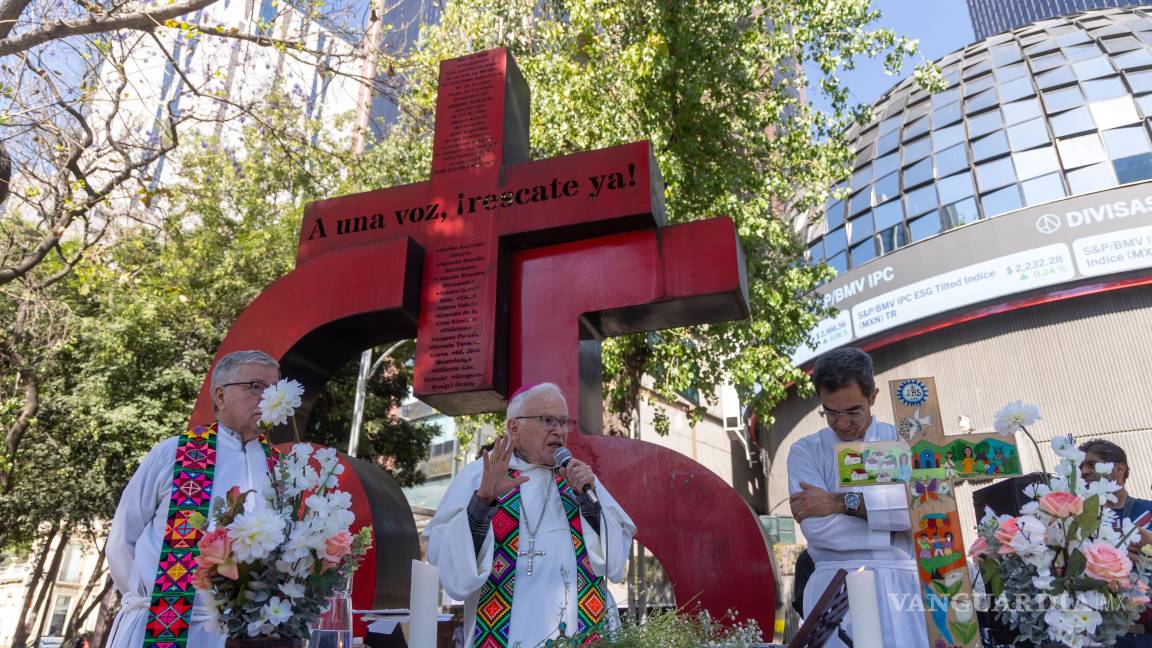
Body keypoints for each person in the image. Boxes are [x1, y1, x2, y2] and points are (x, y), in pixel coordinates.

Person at [426, 383, 636, 647]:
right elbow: (449, 568)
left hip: (583, 632)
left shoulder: (577, 478)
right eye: (547, 420)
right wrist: (482, 503)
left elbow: (615, 562)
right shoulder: (480, 476)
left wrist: (588, 501)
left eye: (563, 422)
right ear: (514, 428)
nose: (559, 430)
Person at [105, 350, 283, 648]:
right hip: (166, 622)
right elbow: (123, 538)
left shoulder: (281, 470)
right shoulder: (175, 453)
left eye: (274, 389)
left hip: (248, 633)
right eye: (255, 386)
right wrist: (150, 597)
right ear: (220, 395)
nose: (267, 398)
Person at [787, 347, 927, 648]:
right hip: (834, 589)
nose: (841, 423)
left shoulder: (904, 443)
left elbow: (921, 512)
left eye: (852, 411)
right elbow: (817, 529)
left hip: (901, 590)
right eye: (830, 412)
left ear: (872, 398)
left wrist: (839, 503)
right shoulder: (805, 451)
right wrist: (888, 522)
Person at [1079, 438, 1152, 648]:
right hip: (1096, 635)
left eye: (1091, 464)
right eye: (1081, 466)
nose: (1084, 472)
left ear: (1119, 469)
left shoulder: (1148, 511)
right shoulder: (1075, 521)